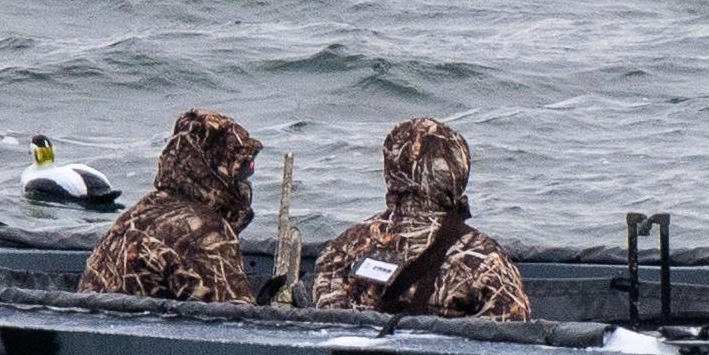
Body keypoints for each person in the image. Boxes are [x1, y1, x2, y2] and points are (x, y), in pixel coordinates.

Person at [300, 117, 533, 319]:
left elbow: (330, 325)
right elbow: (511, 339)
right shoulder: (483, 259)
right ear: (459, 171)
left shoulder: (343, 248)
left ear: (390, 168)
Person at [77, 109, 261, 302]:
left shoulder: (138, 213)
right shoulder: (206, 233)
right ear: (215, 171)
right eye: (243, 170)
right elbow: (236, 318)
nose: (246, 179)